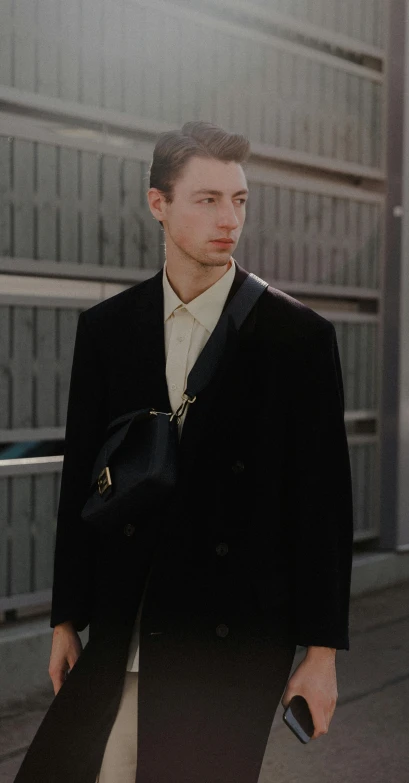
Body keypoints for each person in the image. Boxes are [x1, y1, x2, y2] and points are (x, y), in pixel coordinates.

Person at [14, 121, 354, 783]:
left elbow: (323, 503)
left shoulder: (299, 338)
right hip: (125, 621)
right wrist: (65, 615)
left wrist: (321, 652)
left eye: (239, 200)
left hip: (231, 637)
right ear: (158, 204)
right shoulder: (109, 329)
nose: (229, 218)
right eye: (207, 199)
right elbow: (86, 479)